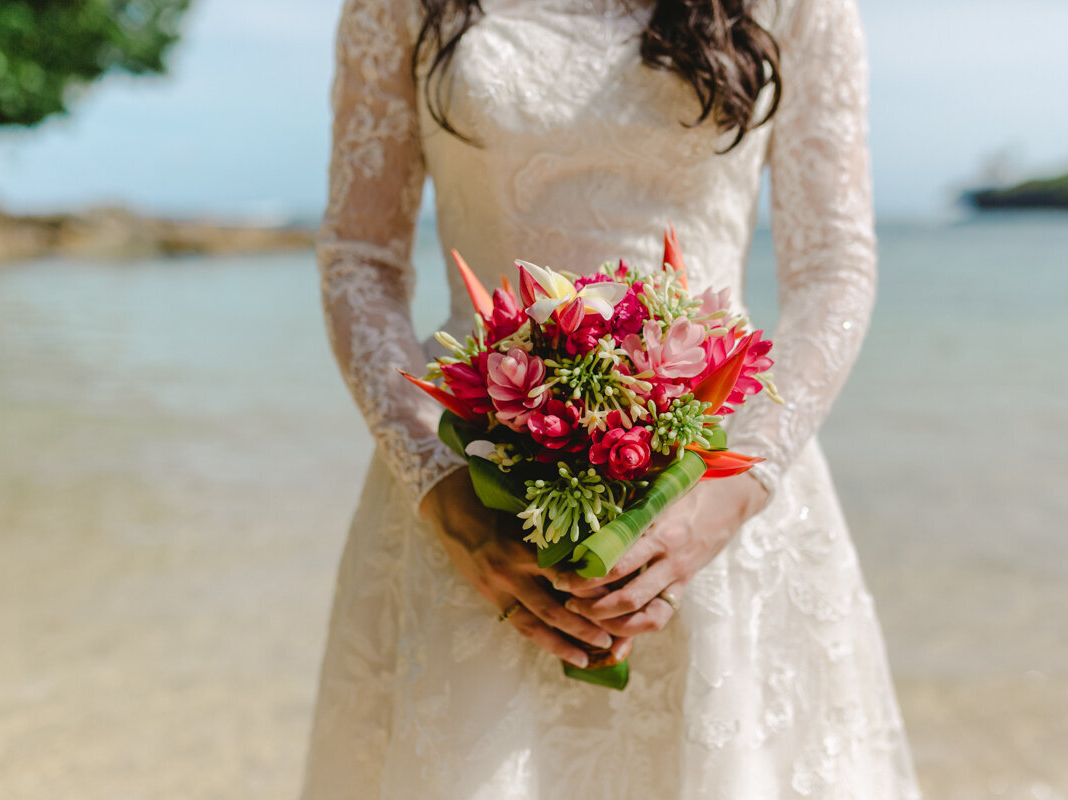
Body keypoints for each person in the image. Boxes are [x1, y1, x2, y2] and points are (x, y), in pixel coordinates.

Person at [300, 0, 920, 796]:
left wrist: (730, 495)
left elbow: (834, 265)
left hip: (718, 489)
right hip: (471, 491)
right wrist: (440, 487)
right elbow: (359, 259)